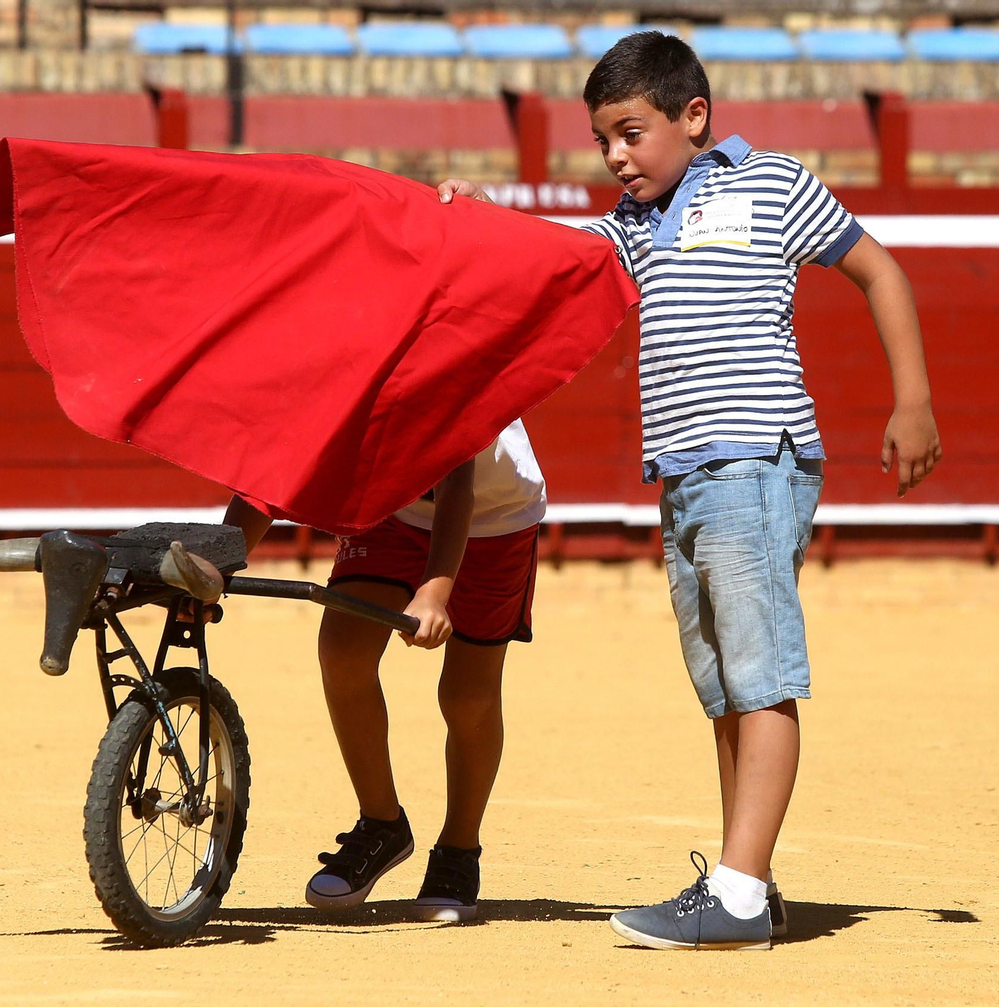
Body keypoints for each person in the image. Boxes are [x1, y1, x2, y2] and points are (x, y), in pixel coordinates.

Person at [436, 31, 942, 950]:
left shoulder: (772, 183)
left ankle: (740, 894)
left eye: (630, 133)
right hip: (683, 475)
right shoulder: (630, 227)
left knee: (761, 682)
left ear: (693, 117)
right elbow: (545, 248)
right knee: (724, 691)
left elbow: (880, 269)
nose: (616, 156)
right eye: (602, 142)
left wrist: (913, 399)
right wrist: (478, 209)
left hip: (755, 455)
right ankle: (752, 880)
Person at [221, 419, 546, 922]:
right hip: (394, 505)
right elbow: (281, 456)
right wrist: (218, 562)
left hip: (494, 516)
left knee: (467, 696)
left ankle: (459, 850)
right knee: (343, 649)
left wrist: (435, 592)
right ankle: (382, 823)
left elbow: (458, 481)